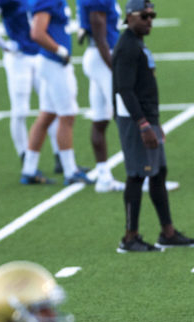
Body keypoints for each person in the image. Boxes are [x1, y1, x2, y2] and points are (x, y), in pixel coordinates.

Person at [113, 0, 194, 252]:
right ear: (129, 17)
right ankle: (130, 238)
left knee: (158, 173)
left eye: (152, 16)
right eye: (144, 16)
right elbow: (124, 89)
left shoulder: (137, 42)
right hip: (136, 120)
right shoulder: (127, 47)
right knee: (137, 175)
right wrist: (143, 124)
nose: (150, 21)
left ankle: (167, 233)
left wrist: (154, 123)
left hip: (148, 119)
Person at [0, 0, 63, 173]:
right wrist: (4, 45)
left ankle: (60, 157)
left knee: (51, 107)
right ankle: (25, 157)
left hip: (40, 55)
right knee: (20, 110)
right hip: (19, 58)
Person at [21, 0, 93, 186]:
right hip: (54, 63)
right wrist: (60, 50)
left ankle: (29, 168)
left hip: (49, 61)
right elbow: (37, 33)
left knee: (47, 115)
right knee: (67, 116)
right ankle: (70, 170)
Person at [77, 0, 126, 193]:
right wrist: (116, 70)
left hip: (97, 58)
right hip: (104, 57)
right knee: (127, 116)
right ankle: (143, 174)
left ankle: (103, 177)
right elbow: (100, 37)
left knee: (100, 119)